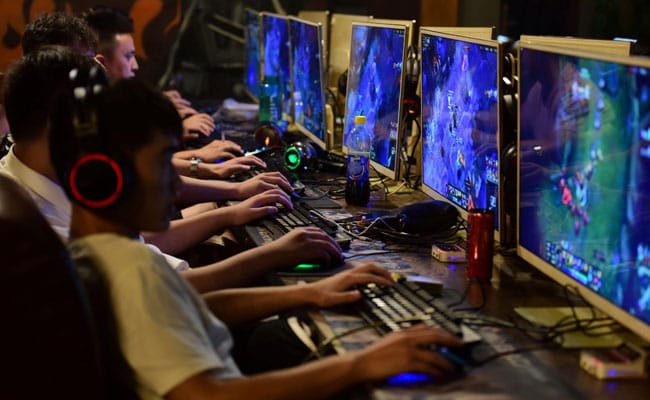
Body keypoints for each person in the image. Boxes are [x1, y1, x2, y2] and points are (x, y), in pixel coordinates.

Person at [50, 73, 463, 400]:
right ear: (104, 178)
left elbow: (186, 306)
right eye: (163, 164)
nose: (176, 186)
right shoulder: (131, 269)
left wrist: (308, 293)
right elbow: (211, 396)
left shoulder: (98, 252)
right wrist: (360, 364)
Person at [0, 46, 341, 293]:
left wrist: (229, 211)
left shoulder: (46, 181)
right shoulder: (30, 223)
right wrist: (274, 256)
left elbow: (143, 246)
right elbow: (170, 287)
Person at [83, 5, 260, 179]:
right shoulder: (90, 119)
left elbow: (138, 158)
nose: (135, 66)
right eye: (128, 56)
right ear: (101, 63)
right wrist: (201, 161)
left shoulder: (102, 105)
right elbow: (142, 166)